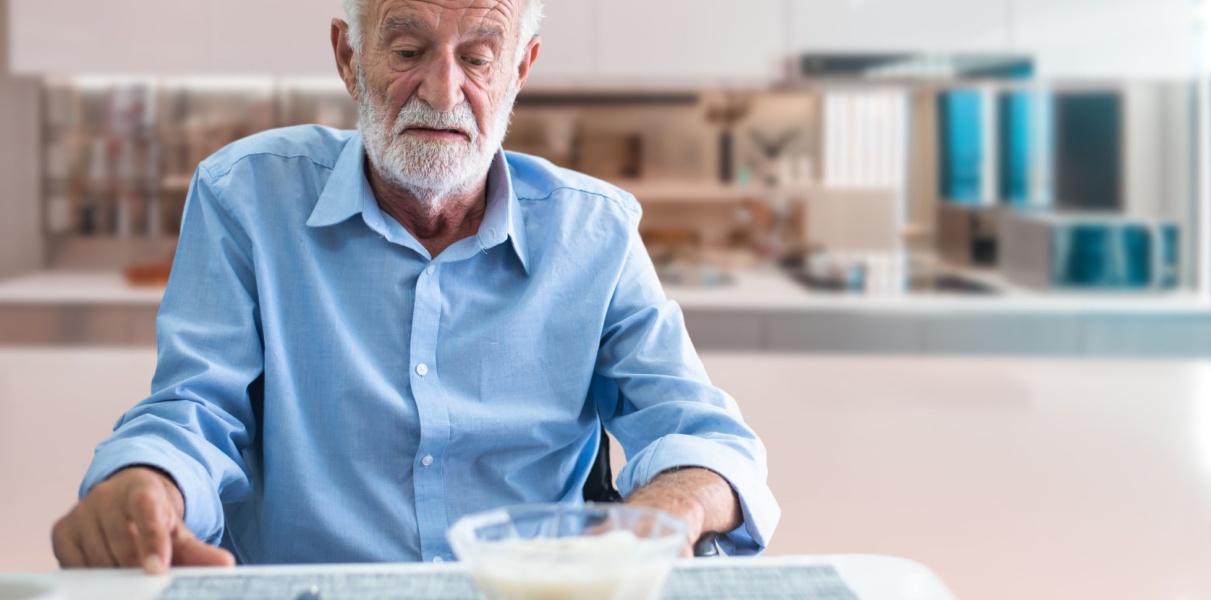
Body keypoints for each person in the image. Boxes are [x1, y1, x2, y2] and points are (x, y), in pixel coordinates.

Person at [51, 0, 778, 573]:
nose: (443, 90)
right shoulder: (245, 198)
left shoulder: (596, 234)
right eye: (406, 51)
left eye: (479, 57)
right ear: (348, 58)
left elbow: (707, 438)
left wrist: (653, 521)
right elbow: (194, 408)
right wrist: (148, 480)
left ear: (520, 68)